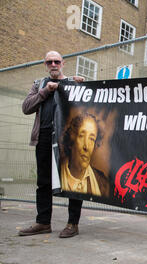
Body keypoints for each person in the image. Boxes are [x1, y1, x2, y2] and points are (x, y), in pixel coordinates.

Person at [19, 51, 85, 239]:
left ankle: (73, 224)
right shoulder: (39, 85)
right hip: (44, 139)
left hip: (69, 141)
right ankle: (43, 222)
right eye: (50, 62)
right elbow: (26, 108)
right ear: (45, 64)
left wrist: (81, 84)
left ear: (63, 63)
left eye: (57, 61)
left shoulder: (74, 84)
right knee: (43, 182)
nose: (54, 64)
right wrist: (45, 91)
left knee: (73, 181)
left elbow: (90, 103)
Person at [60, 111, 110, 197]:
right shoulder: (57, 173)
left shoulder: (102, 184)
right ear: (72, 140)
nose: (86, 147)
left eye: (91, 139)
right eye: (81, 136)